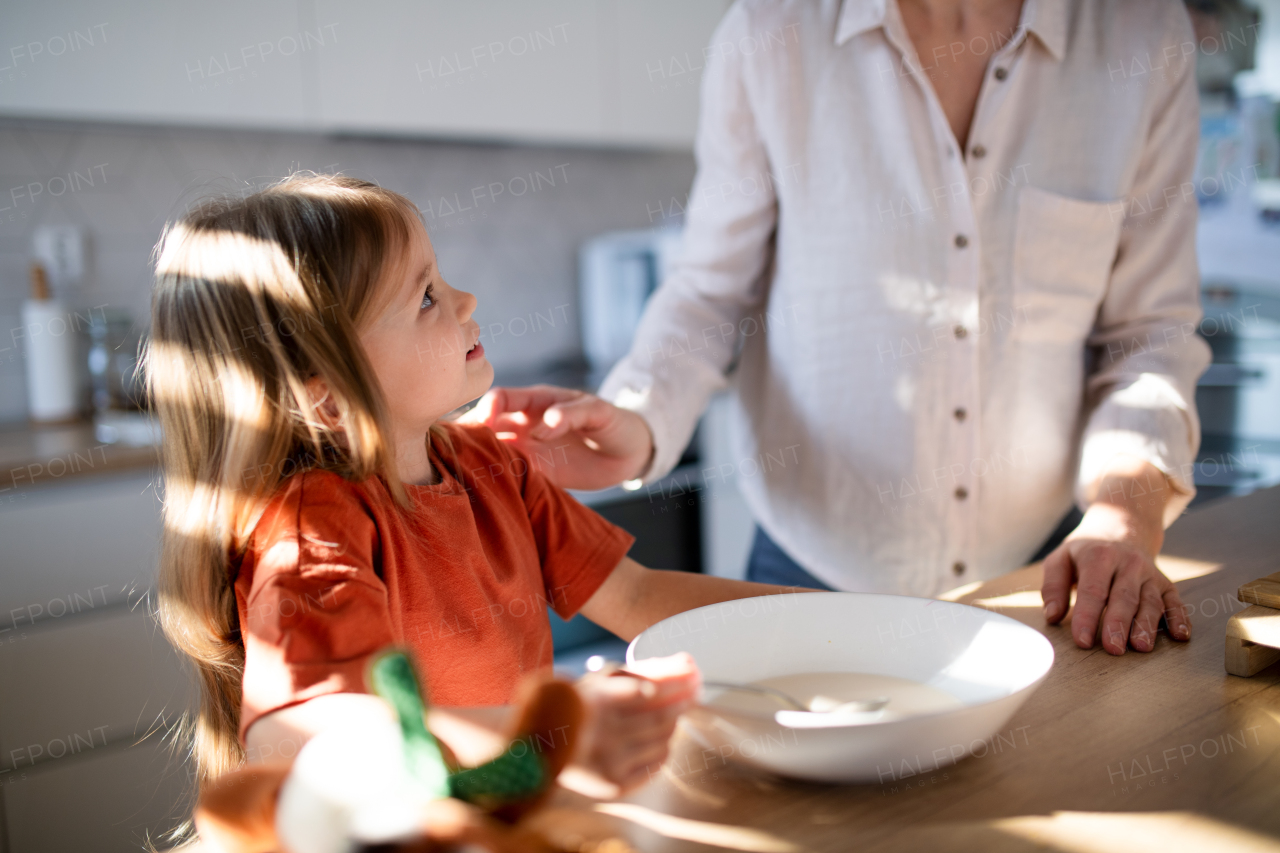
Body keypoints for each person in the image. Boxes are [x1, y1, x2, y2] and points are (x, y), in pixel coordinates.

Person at [466, 0, 1211, 656]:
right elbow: (709, 292)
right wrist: (639, 415)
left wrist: (1126, 510)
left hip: (1047, 574)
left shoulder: (1143, 33)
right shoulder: (770, 33)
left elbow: (1148, 331)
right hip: (805, 572)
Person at [144, 175, 803, 837]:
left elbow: (637, 595)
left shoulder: (491, 467)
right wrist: (555, 735)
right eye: (427, 295)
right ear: (328, 397)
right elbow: (316, 737)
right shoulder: (312, 530)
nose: (465, 299)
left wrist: (829, 616)